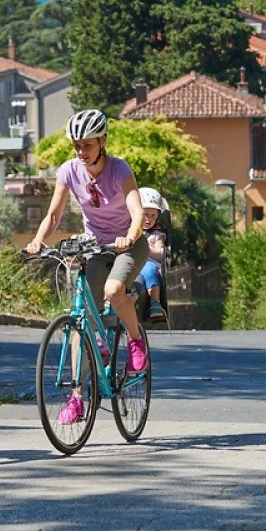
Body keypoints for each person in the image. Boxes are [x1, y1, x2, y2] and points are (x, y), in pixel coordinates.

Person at [26, 108, 150, 424]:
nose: (82, 152)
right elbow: (53, 215)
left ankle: (136, 343)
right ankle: (77, 398)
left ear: (102, 141)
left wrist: (129, 236)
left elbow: (137, 213)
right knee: (81, 317)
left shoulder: (120, 170)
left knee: (113, 289)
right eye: (77, 146)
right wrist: (39, 240)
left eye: (88, 145)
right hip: (96, 247)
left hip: (128, 245)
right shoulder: (69, 171)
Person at [136, 187, 168, 320]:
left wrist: (145, 248)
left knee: (149, 270)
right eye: (145, 214)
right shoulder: (129, 232)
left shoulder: (157, 235)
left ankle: (155, 303)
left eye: (152, 216)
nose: (148, 219)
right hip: (134, 264)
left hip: (149, 264)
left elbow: (159, 253)